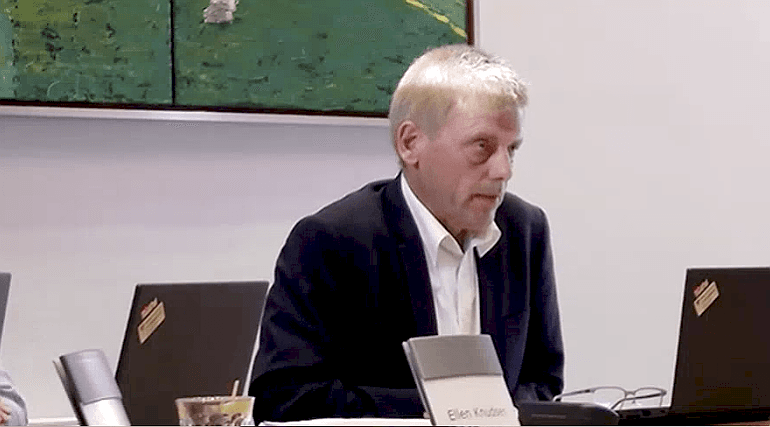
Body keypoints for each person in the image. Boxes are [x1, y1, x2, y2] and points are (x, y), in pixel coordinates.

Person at [249, 43, 564, 423]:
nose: (503, 170)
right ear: (410, 143)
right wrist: (445, 413)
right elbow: (284, 398)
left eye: (511, 150)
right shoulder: (332, 242)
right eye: (482, 147)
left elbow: (542, 378)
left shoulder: (524, 230)